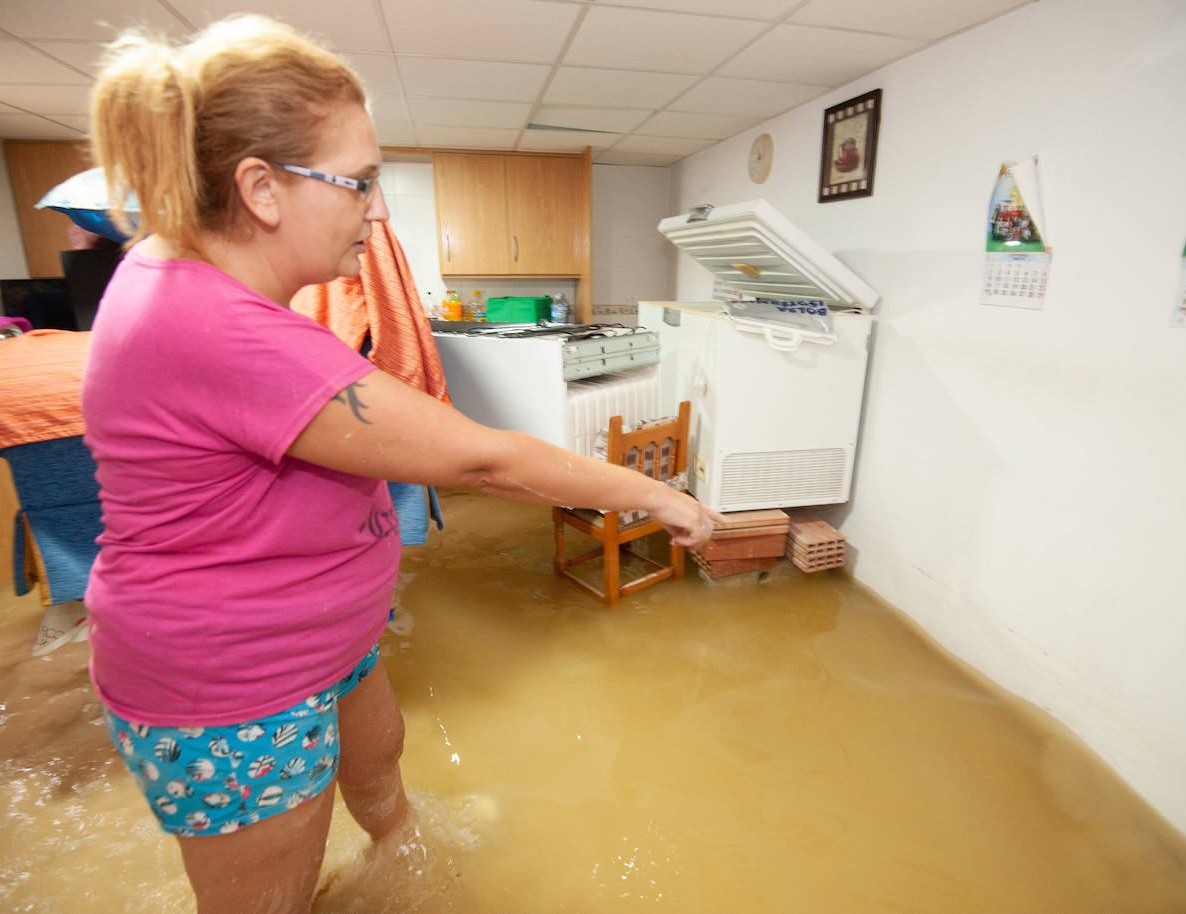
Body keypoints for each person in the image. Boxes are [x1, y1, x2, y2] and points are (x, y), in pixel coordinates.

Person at [82, 15, 722, 914]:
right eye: (362, 182)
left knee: (379, 765)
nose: (376, 213)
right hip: (235, 685)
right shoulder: (219, 327)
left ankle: (404, 860)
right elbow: (489, 462)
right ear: (262, 188)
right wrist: (661, 496)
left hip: (316, 641)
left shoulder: (184, 272)